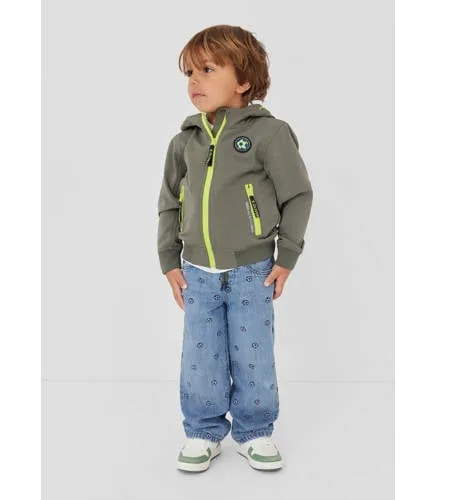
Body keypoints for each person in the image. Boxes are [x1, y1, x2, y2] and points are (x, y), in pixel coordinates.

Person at [157, 24, 313, 472]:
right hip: (197, 272)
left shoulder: (268, 134)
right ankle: (203, 432)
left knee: (253, 352)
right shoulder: (184, 141)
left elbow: (297, 195)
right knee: (200, 354)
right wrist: (169, 260)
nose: (195, 81)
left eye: (207, 69)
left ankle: (255, 431)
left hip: (252, 271)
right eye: (189, 72)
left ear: (243, 80)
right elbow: (169, 202)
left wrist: (287, 256)